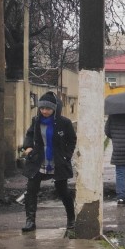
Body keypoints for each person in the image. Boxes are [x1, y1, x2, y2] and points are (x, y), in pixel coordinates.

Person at [20, 91, 77, 233]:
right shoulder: (36, 121)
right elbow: (30, 134)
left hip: (57, 161)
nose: (44, 111)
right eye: (42, 108)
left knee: (63, 191)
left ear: (55, 109)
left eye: (48, 109)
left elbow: (72, 140)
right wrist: (28, 147)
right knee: (31, 190)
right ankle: (30, 221)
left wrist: (66, 156)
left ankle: (71, 219)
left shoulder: (65, 123)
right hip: (38, 160)